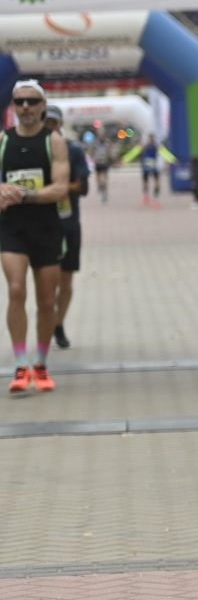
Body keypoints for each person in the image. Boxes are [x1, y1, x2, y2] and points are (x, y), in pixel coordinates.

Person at [2, 80, 69, 395]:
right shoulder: (3, 141)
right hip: (11, 229)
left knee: (46, 300)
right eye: (20, 102)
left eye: (31, 101)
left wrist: (22, 194)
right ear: (13, 106)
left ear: (43, 105)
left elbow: (59, 189)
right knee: (16, 290)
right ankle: (19, 365)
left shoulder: (53, 140)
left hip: (46, 230)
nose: (25, 107)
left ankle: (40, 363)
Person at [41, 106, 87, 351]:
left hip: (68, 224)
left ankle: (58, 324)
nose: (50, 127)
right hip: (42, 226)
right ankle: (47, 325)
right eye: (45, 122)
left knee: (65, 280)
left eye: (53, 123)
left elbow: (83, 187)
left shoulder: (73, 151)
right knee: (47, 281)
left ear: (60, 124)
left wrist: (56, 188)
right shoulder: (35, 150)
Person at [90, 133, 113, 204]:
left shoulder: (107, 143)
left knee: (104, 178)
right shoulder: (96, 144)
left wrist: (110, 159)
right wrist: (93, 158)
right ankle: (100, 186)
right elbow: (91, 151)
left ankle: (104, 191)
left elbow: (110, 152)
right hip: (98, 163)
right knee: (98, 177)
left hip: (104, 163)